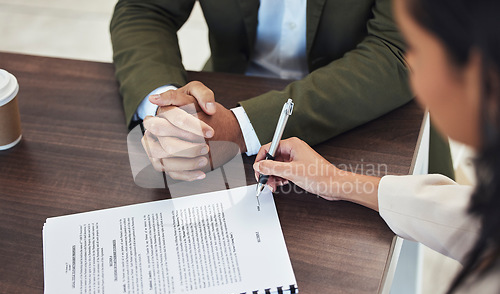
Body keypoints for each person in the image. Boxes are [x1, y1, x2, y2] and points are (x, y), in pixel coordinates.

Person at [253, 0, 500, 294]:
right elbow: (477, 220)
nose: (408, 61)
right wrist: (337, 181)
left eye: (420, 48)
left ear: (482, 72)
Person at [110, 0, 431, 181]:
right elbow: (144, 9)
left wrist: (240, 128)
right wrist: (168, 109)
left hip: (369, 117)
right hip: (224, 98)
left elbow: (398, 51)